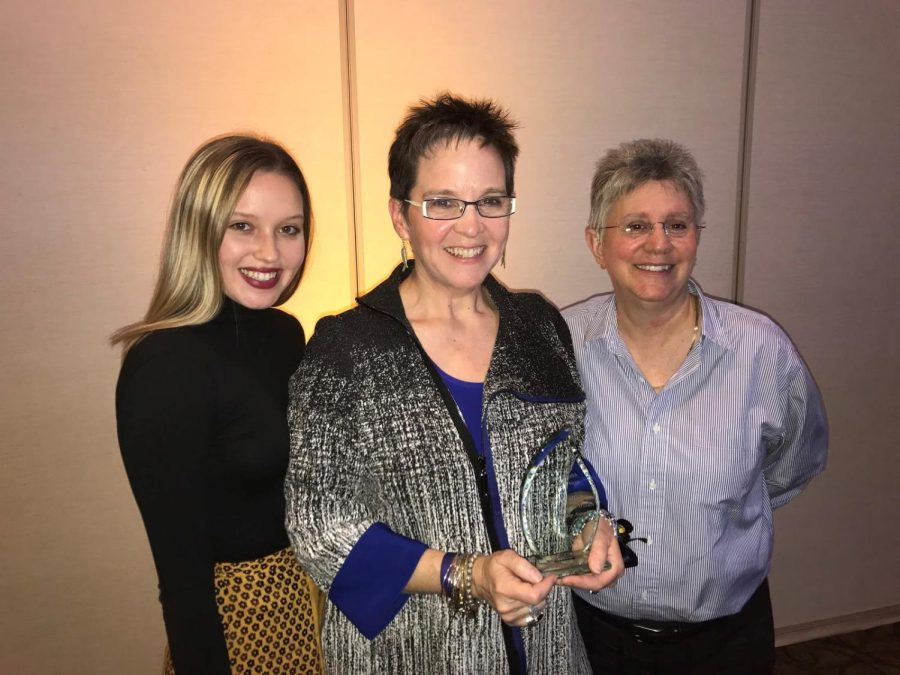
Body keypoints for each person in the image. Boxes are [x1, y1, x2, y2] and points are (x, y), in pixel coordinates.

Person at [284, 93, 623, 674]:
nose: (471, 226)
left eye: (491, 202)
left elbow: (565, 467)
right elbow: (319, 527)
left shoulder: (538, 329)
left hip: (545, 644)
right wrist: (466, 573)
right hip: (416, 651)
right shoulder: (347, 351)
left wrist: (590, 524)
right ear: (400, 215)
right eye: (443, 202)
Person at [563, 138, 828, 674]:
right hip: (595, 638)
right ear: (596, 244)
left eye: (677, 225)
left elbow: (795, 461)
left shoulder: (761, 350)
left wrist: (723, 510)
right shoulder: (561, 347)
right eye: (635, 225)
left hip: (727, 644)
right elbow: (543, 472)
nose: (658, 244)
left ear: (696, 238)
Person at [113, 135, 323, 674]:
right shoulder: (165, 364)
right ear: (200, 229)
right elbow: (181, 577)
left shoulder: (285, 333)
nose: (270, 252)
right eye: (242, 226)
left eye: (289, 229)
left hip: (310, 607)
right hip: (234, 631)